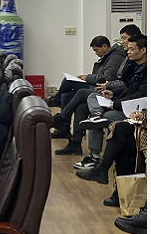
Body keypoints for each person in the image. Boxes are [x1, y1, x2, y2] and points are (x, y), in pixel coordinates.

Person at [52, 24, 142, 156]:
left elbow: (115, 81)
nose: (122, 42)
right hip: (113, 92)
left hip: (118, 97)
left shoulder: (119, 57)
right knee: (79, 106)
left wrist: (103, 84)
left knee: (79, 92)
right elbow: (122, 83)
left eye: (124, 38)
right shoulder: (126, 58)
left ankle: (61, 116)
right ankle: (77, 144)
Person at [75, 34, 146, 168]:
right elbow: (126, 88)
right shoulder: (133, 66)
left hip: (132, 110)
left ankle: (95, 158)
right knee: (93, 98)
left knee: (97, 119)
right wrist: (113, 93)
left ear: (143, 50)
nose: (128, 52)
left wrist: (116, 103)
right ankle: (96, 114)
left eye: (131, 49)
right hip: (122, 101)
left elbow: (140, 96)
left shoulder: (145, 71)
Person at [46, 35, 125, 111]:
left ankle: (56, 100)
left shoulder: (115, 58)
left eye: (96, 50)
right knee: (65, 96)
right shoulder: (108, 56)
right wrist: (86, 77)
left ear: (104, 46)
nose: (96, 53)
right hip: (96, 84)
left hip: (102, 88)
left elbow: (107, 79)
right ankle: (63, 119)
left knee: (67, 81)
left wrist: (87, 78)